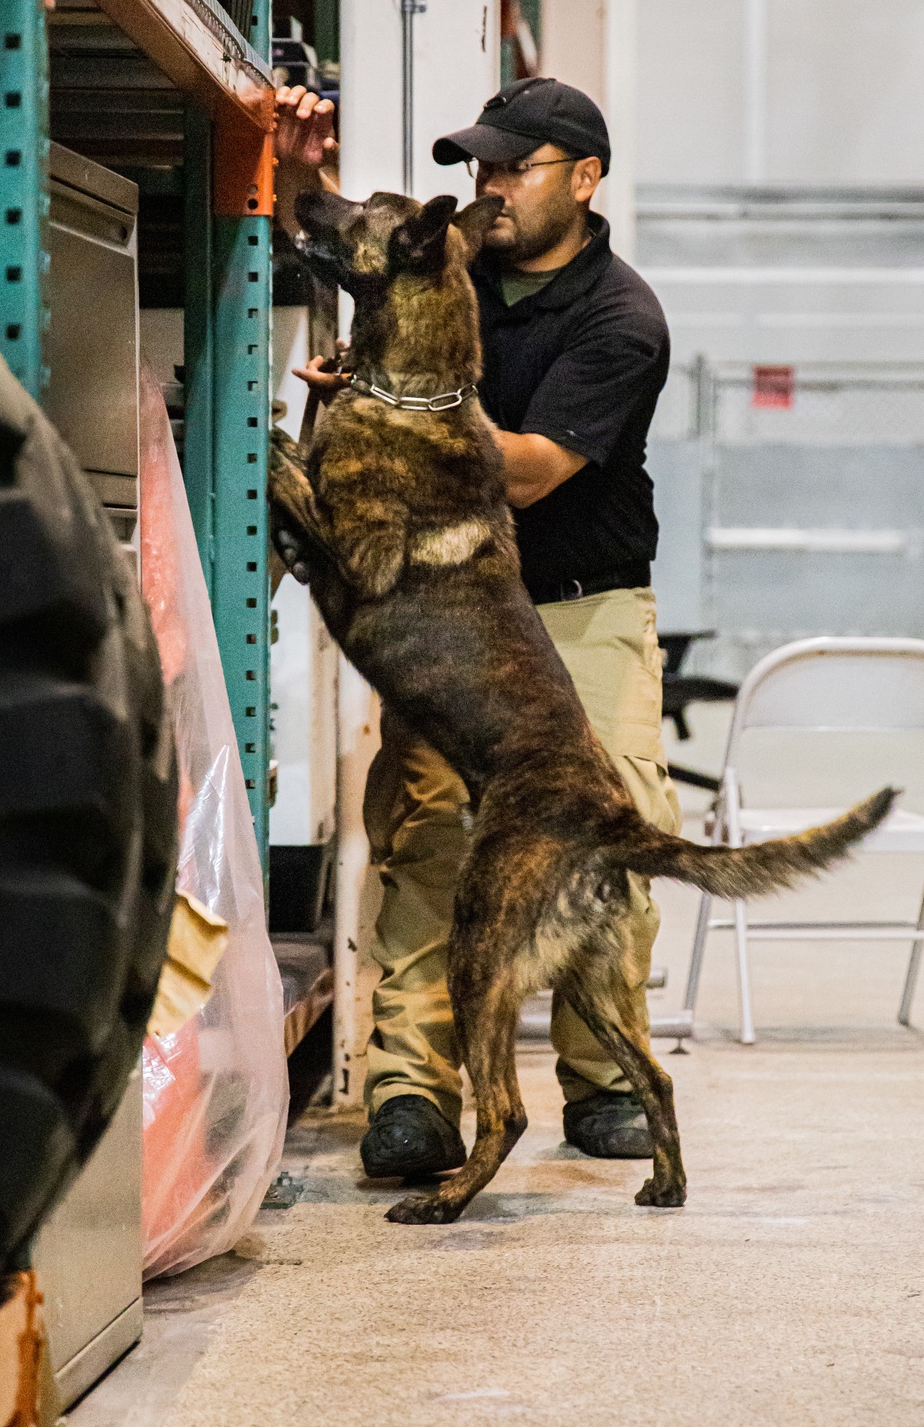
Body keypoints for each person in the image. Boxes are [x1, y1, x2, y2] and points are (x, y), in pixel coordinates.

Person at [274, 75, 681, 1175]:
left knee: (610, 834)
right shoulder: (449, 264)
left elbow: (538, 472)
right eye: (480, 167)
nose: (488, 187)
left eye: (513, 167)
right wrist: (301, 173)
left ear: (585, 179)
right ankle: (411, 1092)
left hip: (578, 607)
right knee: (428, 842)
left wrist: (384, 408)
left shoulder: (618, 318)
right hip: (455, 615)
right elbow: (339, 237)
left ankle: (604, 1083)